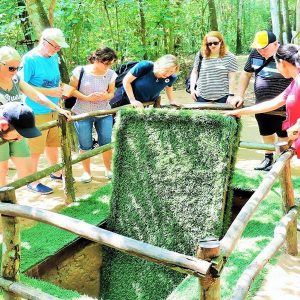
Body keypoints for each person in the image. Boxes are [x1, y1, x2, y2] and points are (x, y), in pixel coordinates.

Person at [0, 46, 70, 189]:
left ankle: (24, 189)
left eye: (17, 68)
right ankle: (5, 204)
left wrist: (57, 108)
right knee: (2, 170)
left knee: (26, 170)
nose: (15, 72)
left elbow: (36, 96)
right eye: (11, 68)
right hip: (2, 130)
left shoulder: (15, 79)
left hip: (17, 130)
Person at [228, 30, 292, 171]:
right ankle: (268, 158)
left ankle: (281, 164)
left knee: (283, 136)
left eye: (264, 48)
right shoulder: (255, 54)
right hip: (262, 106)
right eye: (258, 48)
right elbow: (246, 74)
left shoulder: (286, 55)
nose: (260, 51)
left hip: (284, 107)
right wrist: (239, 95)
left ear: (275, 44)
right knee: (266, 132)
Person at [20, 28, 72, 194]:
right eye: (55, 46)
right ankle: (33, 181)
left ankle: (56, 172)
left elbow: (53, 82)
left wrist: (60, 91)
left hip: (54, 108)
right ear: (44, 41)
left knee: (53, 144)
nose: (57, 50)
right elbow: (21, 86)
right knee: (34, 149)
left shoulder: (54, 56)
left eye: (59, 47)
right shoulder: (29, 59)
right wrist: (49, 92)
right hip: (35, 111)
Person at [69, 47, 117, 183]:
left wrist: (105, 96)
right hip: (82, 112)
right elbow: (70, 89)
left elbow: (112, 93)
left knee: (106, 141)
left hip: (104, 111)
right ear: (96, 59)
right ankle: (86, 172)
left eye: (110, 63)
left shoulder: (111, 74)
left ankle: (108, 169)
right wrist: (87, 97)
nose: (107, 66)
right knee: (85, 144)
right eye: (105, 63)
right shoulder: (80, 71)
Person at [189, 31, 238, 104]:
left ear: (221, 42)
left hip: (223, 97)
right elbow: (194, 72)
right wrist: (192, 89)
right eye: (209, 44)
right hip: (201, 96)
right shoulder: (201, 55)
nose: (212, 45)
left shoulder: (230, 57)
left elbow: (232, 78)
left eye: (215, 43)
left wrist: (231, 95)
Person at [0, 102, 42, 186]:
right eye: (19, 135)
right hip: (7, 129)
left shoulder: (14, 129)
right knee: (2, 171)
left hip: (11, 126)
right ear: (3, 126)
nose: (20, 138)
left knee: (27, 171)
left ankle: (8, 190)